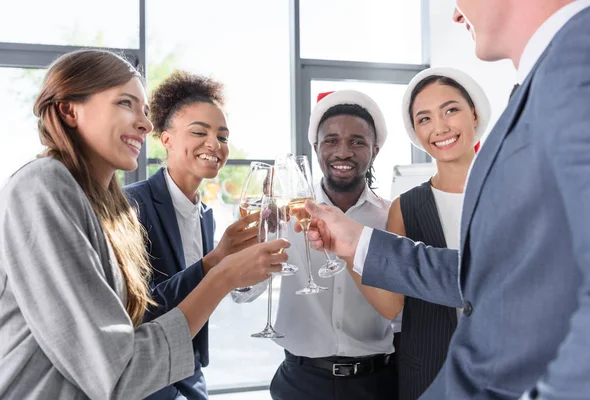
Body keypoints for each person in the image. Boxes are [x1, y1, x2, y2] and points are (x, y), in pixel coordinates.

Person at [303, 1, 590, 399]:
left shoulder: (583, 56)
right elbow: (492, 278)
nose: (457, 14)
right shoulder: (549, 73)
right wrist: (354, 242)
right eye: (424, 118)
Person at [0, 49, 287, 400]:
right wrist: (222, 275)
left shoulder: (106, 204)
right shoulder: (43, 185)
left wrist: (217, 262)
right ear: (68, 110)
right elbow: (117, 374)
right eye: (125, 103)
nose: (146, 124)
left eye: (146, 111)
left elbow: (130, 324)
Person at [235, 90, 397, 400]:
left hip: (376, 383)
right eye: (331, 141)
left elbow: (402, 315)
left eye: (357, 142)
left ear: (374, 151)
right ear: (315, 148)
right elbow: (243, 295)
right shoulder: (285, 212)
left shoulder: (390, 218)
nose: (343, 152)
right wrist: (254, 240)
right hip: (300, 382)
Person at [123, 71, 260, 399]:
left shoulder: (206, 216)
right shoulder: (130, 205)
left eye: (223, 137)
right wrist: (216, 264)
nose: (214, 144)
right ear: (166, 139)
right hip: (148, 380)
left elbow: (200, 295)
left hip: (190, 374)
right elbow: (138, 309)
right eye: (199, 132)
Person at [357, 66, 491, 399]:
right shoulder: (405, 208)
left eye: (451, 110)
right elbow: (391, 307)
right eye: (425, 119)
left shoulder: (518, 190)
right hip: (430, 373)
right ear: (416, 132)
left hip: (506, 369)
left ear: (473, 114)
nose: (440, 127)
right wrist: (346, 248)